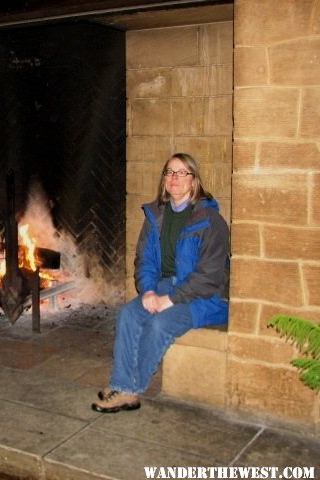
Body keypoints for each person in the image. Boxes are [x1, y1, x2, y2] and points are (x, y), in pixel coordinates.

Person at [92, 152, 229, 414]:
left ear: (194, 180)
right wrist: (149, 290)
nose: (174, 178)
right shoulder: (156, 216)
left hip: (208, 297)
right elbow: (145, 260)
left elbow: (208, 277)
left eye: (181, 173)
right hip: (168, 286)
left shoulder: (211, 222)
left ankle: (130, 390)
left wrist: (171, 299)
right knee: (129, 314)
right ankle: (121, 384)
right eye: (169, 172)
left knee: (159, 324)